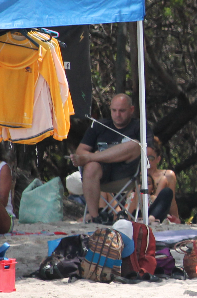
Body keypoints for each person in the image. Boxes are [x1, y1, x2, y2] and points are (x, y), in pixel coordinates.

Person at [70, 94, 153, 223]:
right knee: (90, 166)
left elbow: (149, 151)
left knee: (135, 145)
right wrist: (97, 158)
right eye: (114, 110)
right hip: (101, 175)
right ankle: (95, 217)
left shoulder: (139, 126)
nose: (117, 114)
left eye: (122, 111)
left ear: (131, 110)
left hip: (125, 173)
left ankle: (95, 157)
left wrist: (94, 156)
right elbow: (80, 151)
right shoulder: (99, 125)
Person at [146, 138, 180, 224]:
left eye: (150, 158)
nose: (147, 160)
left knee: (167, 192)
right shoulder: (136, 175)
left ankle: (151, 218)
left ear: (158, 159)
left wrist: (176, 218)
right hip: (139, 210)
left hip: (156, 211)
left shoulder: (167, 175)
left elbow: (171, 201)